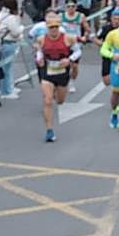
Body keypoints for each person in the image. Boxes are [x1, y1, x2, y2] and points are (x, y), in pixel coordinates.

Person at [34, 13, 80, 143]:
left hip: (62, 73)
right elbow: (39, 52)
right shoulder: (42, 39)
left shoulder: (68, 38)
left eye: (56, 27)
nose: (54, 29)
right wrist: (39, 59)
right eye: (51, 27)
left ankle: (55, 92)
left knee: (60, 101)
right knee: (48, 101)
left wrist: (69, 59)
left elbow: (78, 52)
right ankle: (49, 131)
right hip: (47, 72)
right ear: (47, 27)